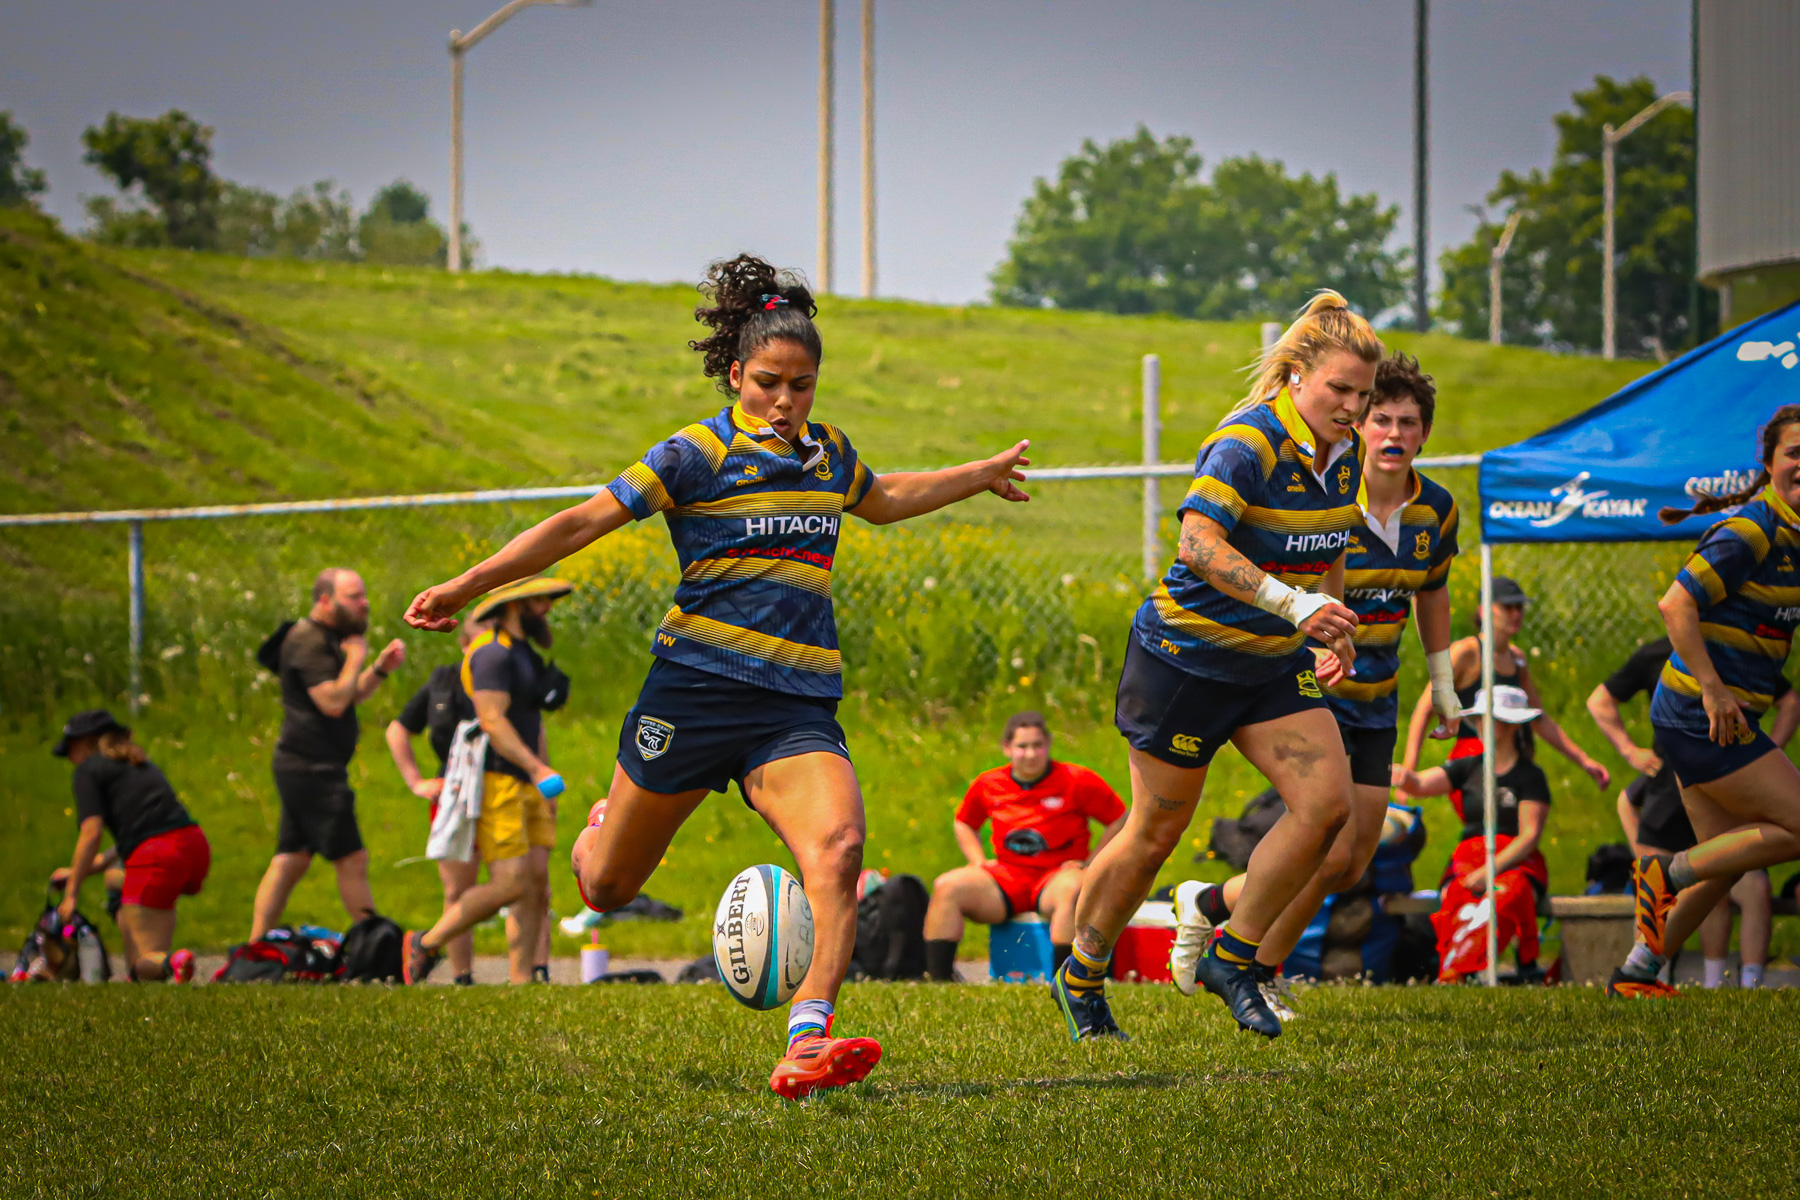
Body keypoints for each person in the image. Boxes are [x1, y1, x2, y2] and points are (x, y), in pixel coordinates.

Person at [403, 254, 1031, 1097]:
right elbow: (580, 522)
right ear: (736, 373)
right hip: (692, 697)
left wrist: (978, 475)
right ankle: (601, 829)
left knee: (840, 851)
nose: (784, 399)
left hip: (795, 706)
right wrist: (467, 586)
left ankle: (806, 1041)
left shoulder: (829, 454)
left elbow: (883, 497)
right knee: (609, 883)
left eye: (801, 385)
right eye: (768, 382)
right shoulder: (695, 453)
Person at [1055, 291, 1375, 1043]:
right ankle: (1080, 975)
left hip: (1268, 663)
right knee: (1153, 836)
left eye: (1364, 395)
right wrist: (1298, 609)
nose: (1353, 408)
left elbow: (1327, 544)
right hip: (1185, 661)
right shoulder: (1247, 443)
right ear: (1296, 374)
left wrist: (1328, 621)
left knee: (1329, 807)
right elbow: (1196, 545)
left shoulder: (1346, 449)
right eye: (1340, 390)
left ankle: (1233, 956)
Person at [1166, 351, 1462, 1019]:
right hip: (1311, 691)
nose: (1391, 433)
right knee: (1324, 840)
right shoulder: (1329, 500)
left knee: (1349, 861)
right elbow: (1284, 583)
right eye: (1379, 417)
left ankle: (1211, 906)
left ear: (1424, 433)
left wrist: (1442, 685)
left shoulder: (1436, 511)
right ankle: (1253, 967)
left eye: (1407, 422)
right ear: (1358, 423)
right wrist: (1309, 644)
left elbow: (1435, 594)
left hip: (1378, 698)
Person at [1610, 404, 1800, 999]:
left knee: (1726, 864)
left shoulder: (1793, 533)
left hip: (1711, 715)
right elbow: (1675, 605)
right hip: (1703, 713)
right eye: (1795, 452)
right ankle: (1666, 871)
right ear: (1769, 464)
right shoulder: (1753, 531)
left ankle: (1634, 975)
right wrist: (1716, 692)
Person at [1589, 636, 1798, 989]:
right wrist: (1628, 751)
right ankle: (1657, 952)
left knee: (1727, 874)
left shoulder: (1741, 643)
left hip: (1728, 776)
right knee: (1710, 872)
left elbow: (1790, 701)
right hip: (1676, 785)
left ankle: (1641, 973)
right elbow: (1600, 701)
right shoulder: (1662, 651)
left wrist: (1770, 755)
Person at [402, 577, 571, 986]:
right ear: (515, 606)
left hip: (531, 784)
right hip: (499, 781)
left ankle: (522, 981)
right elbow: (492, 720)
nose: (548, 606)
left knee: (534, 886)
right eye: (540, 599)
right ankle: (425, 942)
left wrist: (542, 775)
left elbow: (534, 725)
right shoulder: (491, 655)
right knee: (510, 883)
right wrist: (536, 770)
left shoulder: (523, 655)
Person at [250, 568, 406, 941]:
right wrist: (355, 658)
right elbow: (333, 702)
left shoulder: (326, 638)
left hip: (306, 765)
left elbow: (349, 694)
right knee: (352, 858)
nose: (364, 603)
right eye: (354, 596)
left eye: (363, 595)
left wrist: (379, 670)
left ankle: (255, 945)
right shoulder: (307, 640)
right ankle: (373, 943)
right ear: (324, 600)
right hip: (312, 768)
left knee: (292, 859)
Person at [923, 712, 1126, 981]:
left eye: (1037, 745)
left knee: (1075, 889)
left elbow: (1119, 818)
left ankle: (1066, 984)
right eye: (1022, 746)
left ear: (1048, 745)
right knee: (947, 886)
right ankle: (938, 982)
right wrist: (977, 861)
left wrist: (1091, 862)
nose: (1030, 754)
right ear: (1007, 748)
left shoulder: (1077, 779)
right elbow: (963, 822)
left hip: (1057, 875)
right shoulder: (989, 783)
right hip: (1008, 875)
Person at [1392, 685, 1550, 983]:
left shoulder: (1530, 776)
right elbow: (1421, 784)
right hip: (1469, 858)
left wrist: (1490, 870)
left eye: (1485, 719)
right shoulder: (1468, 766)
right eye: (1477, 719)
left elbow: (1529, 837)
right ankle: (1454, 970)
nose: (1479, 725)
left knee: (1505, 895)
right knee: (1455, 894)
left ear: (1507, 725)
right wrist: (1403, 776)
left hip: (1514, 863)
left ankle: (1473, 966)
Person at [1402, 576, 1611, 796]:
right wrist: (1409, 773)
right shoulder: (1466, 653)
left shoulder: (1517, 659)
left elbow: (1539, 719)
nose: (1516, 614)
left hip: (1505, 756)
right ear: (1484, 610)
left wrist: (1584, 760)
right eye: (1507, 606)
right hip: (1470, 761)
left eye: (1519, 607)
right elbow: (1425, 710)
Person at [52, 709, 209, 982]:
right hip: (192, 844)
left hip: (156, 857)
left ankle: (171, 963)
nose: (69, 757)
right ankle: (164, 956)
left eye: (71, 748)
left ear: (87, 742)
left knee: (141, 966)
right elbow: (136, 838)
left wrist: (71, 893)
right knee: (116, 874)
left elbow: (91, 833)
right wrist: (82, 871)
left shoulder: (88, 770)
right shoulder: (137, 762)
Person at [386, 624, 481, 985]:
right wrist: (416, 781)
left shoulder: (507, 677)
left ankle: (531, 974)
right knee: (458, 889)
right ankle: (462, 977)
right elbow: (397, 730)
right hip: (454, 795)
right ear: (464, 644)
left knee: (518, 884)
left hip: (502, 790)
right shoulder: (444, 681)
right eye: (478, 643)